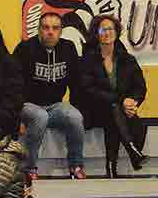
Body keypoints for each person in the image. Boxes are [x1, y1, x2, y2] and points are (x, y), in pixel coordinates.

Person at [13, 10, 87, 179]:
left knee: (74, 116)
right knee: (39, 117)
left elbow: (76, 83)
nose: (50, 32)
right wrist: (16, 117)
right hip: (28, 105)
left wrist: (82, 111)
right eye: (46, 27)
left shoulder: (68, 48)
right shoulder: (24, 49)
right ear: (39, 30)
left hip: (55, 105)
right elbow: (13, 86)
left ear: (61, 31)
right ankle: (29, 168)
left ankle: (76, 165)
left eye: (55, 28)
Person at [74, 13, 147, 176]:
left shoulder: (127, 59)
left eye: (110, 29)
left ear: (116, 32)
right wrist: (121, 101)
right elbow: (88, 89)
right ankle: (132, 152)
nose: (107, 33)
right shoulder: (88, 59)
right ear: (96, 33)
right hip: (93, 109)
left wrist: (132, 102)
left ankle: (111, 166)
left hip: (118, 110)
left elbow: (140, 87)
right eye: (102, 29)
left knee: (117, 117)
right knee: (113, 109)